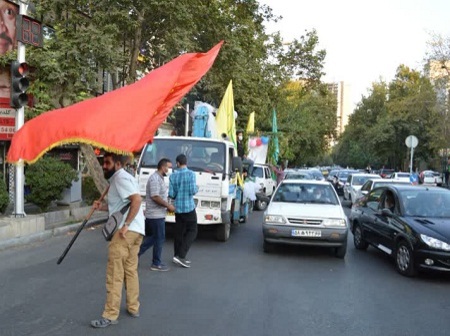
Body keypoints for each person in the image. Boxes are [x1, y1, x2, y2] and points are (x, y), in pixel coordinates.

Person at [90, 152, 145, 328]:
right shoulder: (121, 178)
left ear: (118, 164)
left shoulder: (120, 179)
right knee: (130, 270)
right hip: (137, 231)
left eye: (107, 163)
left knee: (115, 272)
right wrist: (102, 207)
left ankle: (110, 314)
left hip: (125, 232)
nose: (104, 166)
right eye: (103, 163)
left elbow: (136, 200)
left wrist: (126, 224)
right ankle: (133, 307)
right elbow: (120, 206)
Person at [138, 158, 175, 271]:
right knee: (157, 238)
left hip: (158, 214)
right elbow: (155, 196)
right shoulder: (155, 179)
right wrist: (167, 206)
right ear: (163, 167)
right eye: (168, 167)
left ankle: (152, 260)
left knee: (156, 238)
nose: (169, 170)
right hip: (155, 215)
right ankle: (153, 261)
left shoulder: (160, 178)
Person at [169, 154, 198, 268]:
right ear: (186, 162)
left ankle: (176, 255)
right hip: (189, 207)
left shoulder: (173, 176)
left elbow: (172, 194)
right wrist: (197, 188)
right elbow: (192, 190)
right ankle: (181, 255)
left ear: (177, 163)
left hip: (178, 208)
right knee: (193, 231)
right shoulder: (191, 174)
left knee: (179, 232)